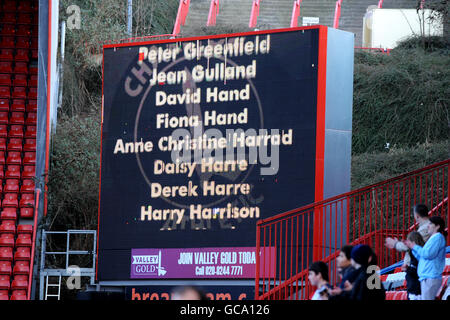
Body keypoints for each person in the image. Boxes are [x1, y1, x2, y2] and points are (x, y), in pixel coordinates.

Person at [405, 216, 447, 300]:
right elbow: (422, 258)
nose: (428, 226)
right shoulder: (433, 238)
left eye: (430, 224)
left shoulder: (438, 237)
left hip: (430, 277)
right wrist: (412, 249)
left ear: (437, 226)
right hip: (426, 277)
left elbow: (427, 254)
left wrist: (414, 246)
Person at [385, 204, 431, 271]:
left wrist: (395, 244)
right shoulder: (425, 227)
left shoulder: (426, 227)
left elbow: (409, 245)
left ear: (417, 215)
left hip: (418, 266)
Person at [404, 231, 425, 300]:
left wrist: (408, 269)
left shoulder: (417, 253)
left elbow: (415, 270)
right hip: (415, 288)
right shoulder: (414, 252)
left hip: (416, 289)